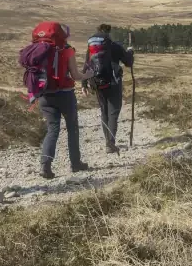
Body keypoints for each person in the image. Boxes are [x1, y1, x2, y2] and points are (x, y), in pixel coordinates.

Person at [35, 23, 95, 179]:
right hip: (65, 95)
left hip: (45, 96)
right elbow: (75, 75)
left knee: (52, 129)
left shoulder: (39, 49)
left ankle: (45, 165)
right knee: (72, 129)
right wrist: (88, 75)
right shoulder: (67, 50)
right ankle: (75, 163)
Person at [84, 24, 134, 154]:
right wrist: (130, 52)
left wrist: (84, 84)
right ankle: (110, 142)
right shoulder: (114, 45)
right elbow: (128, 62)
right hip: (113, 83)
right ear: (108, 33)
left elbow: (86, 65)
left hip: (97, 84)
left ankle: (107, 140)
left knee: (104, 111)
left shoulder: (91, 49)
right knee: (113, 113)